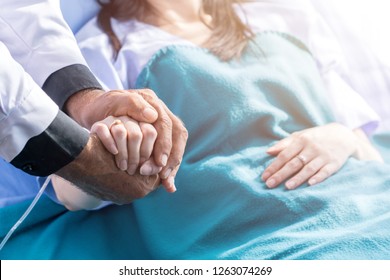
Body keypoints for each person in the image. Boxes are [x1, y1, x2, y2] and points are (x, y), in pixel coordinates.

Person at [63, 0, 390, 260]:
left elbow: (366, 145)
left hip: (359, 199)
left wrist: (340, 136)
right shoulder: (105, 46)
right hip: (243, 235)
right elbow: (73, 191)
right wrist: (110, 142)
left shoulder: (285, 12)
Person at [0, 0, 188, 206]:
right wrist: (90, 154)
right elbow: (69, 190)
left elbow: (19, 12)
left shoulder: (229, 16)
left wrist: (84, 99)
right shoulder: (107, 44)